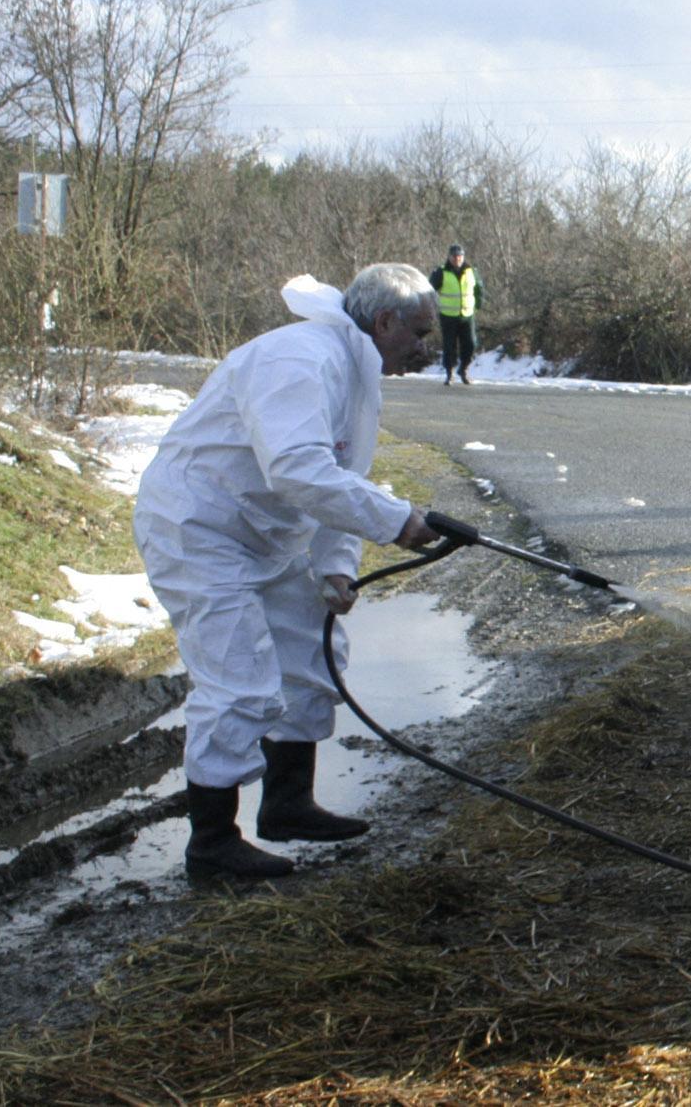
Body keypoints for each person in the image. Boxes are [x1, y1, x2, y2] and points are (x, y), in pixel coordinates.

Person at [133, 264, 445, 881]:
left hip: (264, 532)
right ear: (384, 322)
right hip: (200, 527)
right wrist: (398, 520)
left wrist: (334, 567)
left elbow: (338, 474)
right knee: (238, 681)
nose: (425, 348)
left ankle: (287, 804)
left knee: (310, 646)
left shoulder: (354, 370)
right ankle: (212, 843)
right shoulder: (300, 359)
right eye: (419, 333)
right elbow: (298, 470)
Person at [429, 244, 482, 385]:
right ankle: (449, 373)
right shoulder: (441, 272)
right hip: (448, 315)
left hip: (467, 314)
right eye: (454, 257)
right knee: (449, 345)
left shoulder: (471, 271)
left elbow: (479, 288)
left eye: (460, 257)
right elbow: (429, 290)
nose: (457, 259)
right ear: (449, 257)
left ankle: (463, 369)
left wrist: (478, 304)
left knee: (470, 343)